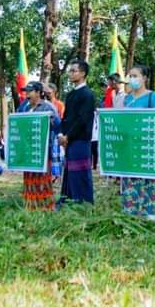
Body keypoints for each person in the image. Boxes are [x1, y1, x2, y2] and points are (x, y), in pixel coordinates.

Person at [117, 65, 155, 220]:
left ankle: (151, 212)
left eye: (135, 75)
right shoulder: (127, 99)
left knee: (148, 179)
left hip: (146, 145)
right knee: (130, 178)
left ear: (144, 78)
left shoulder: (152, 97)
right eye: (130, 76)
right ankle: (131, 211)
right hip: (130, 146)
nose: (132, 79)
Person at [58, 59, 97, 205]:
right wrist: (61, 134)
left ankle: (83, 202)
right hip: (68, 140)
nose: (70, 73)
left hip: (81, 139)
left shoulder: (88, 94)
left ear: (83, 73)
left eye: (73, 71)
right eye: (70, 70)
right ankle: (67, 199)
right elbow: (66, 117)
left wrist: (68, 136)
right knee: (69, 171)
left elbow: (82, 119)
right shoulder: (70, 95)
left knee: (80, 171)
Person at [18, 81, 61, 210]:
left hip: (43, 150)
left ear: (38, 92)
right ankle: (31, 204)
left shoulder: (48, 107)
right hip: (28, 150)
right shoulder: (25, 108)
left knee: (42, 178)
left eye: (29, 91)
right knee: (29, 176)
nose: (27, 94)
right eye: (26, 91)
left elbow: (58, 126)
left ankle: (45, 206)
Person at [44, 83, 65, 181]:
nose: (47, 94)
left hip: (56, 132)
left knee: (55, 153)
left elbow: (61, 119)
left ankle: (56, 174)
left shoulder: (59, 104)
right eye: (46, 92)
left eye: (49, 92)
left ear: (54, 93)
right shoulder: (43, 104)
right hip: (46, 132)